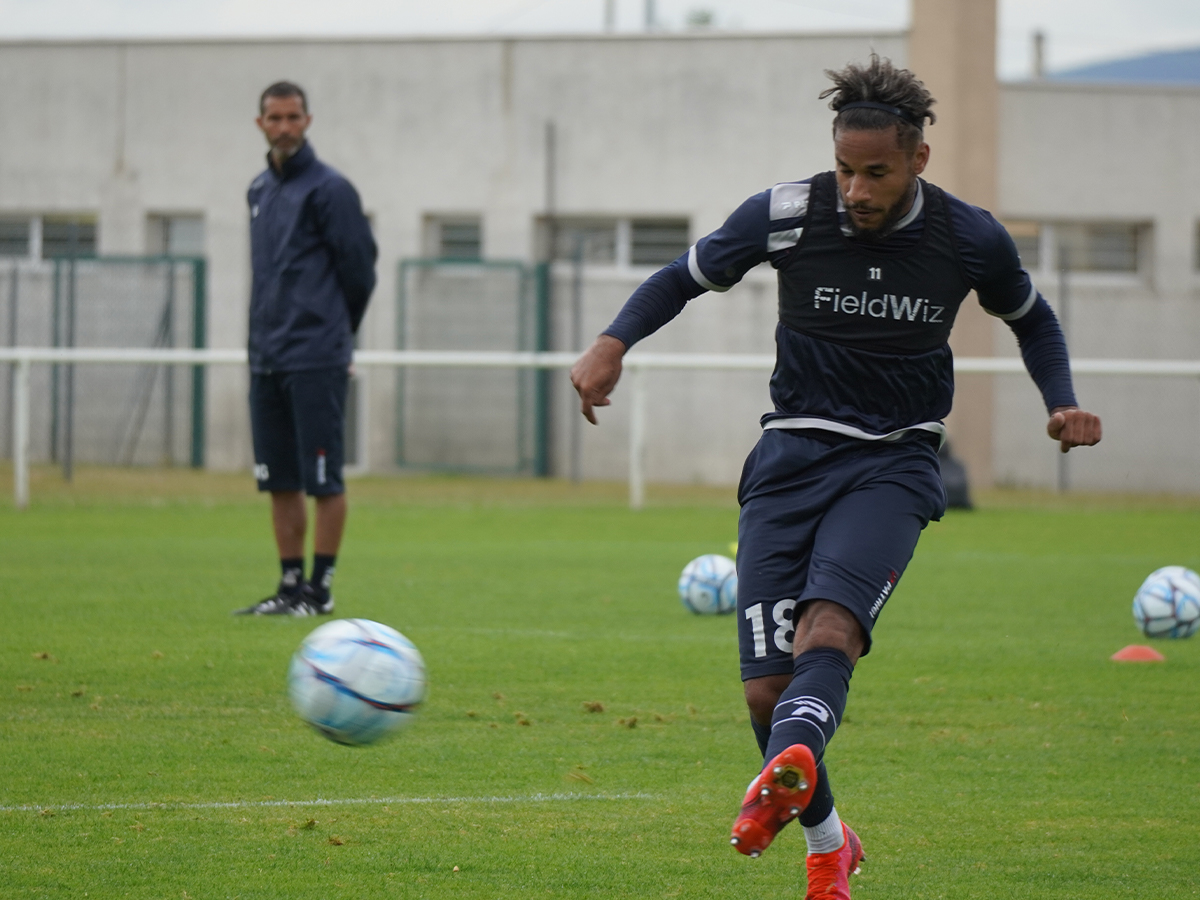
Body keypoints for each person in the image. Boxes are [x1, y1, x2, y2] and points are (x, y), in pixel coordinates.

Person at [570, 55, 1100, 898]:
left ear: (918, 159)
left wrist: (1062, 402)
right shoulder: (785, 214)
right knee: (766, 694)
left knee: (830, 632)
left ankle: (805, 808)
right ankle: (830, 843)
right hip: (787, 462)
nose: (855, 188)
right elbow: (684, 276)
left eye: (876, 173)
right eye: (846, 169)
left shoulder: (969, 237)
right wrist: (611, 343)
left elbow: (1031, 320)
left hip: (892, 463)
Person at [235, 81, 377, 617]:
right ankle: (289, 585)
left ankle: (319, 590)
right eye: (275, 118)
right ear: (261, 124)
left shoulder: (331, 189)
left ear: (308, 121)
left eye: (294, 117)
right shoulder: (257, 191)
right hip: (266, 357)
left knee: (323, 480)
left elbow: (359, 269)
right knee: (279, 479)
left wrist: (338, 332)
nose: (285, 127)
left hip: (316, 355)